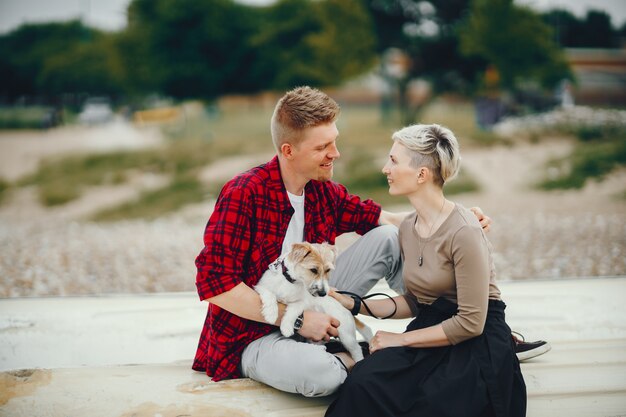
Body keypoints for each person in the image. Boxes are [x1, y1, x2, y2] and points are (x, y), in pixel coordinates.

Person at [325, 124, 527, 417]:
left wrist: (398, 339)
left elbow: (471, 323)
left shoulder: (465, 231)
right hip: (431, 328)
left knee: (434, 403)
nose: (385, 168)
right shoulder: (408, 227)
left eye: (394, 161)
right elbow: (415, 301)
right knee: (364, 382)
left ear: (422, 174)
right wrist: (354, 303)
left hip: (476, 340)